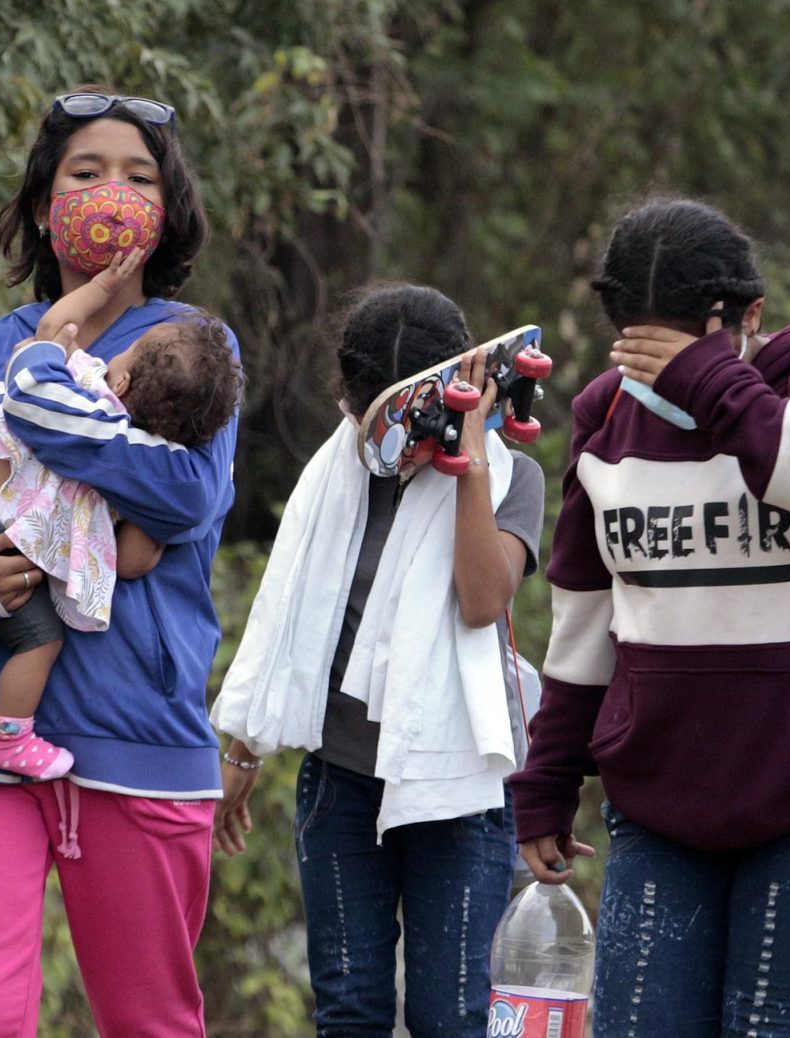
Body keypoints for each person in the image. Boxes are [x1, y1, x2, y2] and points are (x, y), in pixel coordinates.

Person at [0, 88, 235, 1035]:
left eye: (138, 176)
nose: (110, 192)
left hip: (139, 740)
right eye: (84, 173)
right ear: (42, 204)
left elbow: (191, 497)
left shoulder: (193, 348)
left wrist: (42, 399)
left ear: (166, 211)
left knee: (149, 1022)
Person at [510, 198, 790, 1037]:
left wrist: (723, 388)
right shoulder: (605, 418)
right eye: (637, 349)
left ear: (750, 317)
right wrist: (547, 779)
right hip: (665, 793)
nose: (655, 377)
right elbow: (586, 616)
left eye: (677, 350)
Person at [210, 284, 546, 1038]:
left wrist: (471, 461)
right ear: (352, 402)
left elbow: (483, 599)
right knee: (349, 1011)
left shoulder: (514, 478)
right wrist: (245, 752)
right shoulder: (336, 476)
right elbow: (287, 615)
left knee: (448, 1017)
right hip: (340, 785)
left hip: (456, 794)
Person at [0, 247, 242, 781]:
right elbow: (131, 562)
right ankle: (11, 736)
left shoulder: (75, 379)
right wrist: (150, 519)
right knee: (42, 639)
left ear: (124, 382)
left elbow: (50, 326)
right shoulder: (137, 465)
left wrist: (98, 291)